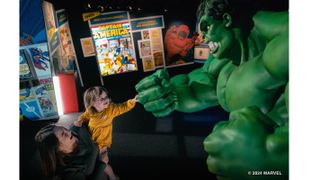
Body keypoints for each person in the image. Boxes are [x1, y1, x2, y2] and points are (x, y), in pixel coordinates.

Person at [135, 0, 288, 179]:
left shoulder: (282, 44)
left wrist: (276, 163)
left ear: (227, 19)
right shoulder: (221, 62)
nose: (203, 38)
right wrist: (168, 93)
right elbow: (195, 89)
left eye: (206, 27)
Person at [74, 86, 137, 180]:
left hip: (103, 142)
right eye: (102, 99)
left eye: (106, 97)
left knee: (103, 161)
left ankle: (112, 177)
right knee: (93, 161)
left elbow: (123, 107)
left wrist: (132, 101)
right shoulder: (90, 111)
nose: (106, 99)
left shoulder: (110, 109)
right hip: (92, 141)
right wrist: (79, 120)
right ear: (92, 103)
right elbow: (84, 116)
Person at [35, 123, 108, 180]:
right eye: (64, 134)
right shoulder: (68, 172)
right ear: (57, 150)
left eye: (65, 129)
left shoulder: (77, 128)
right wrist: (102, 164)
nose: (69, 132)